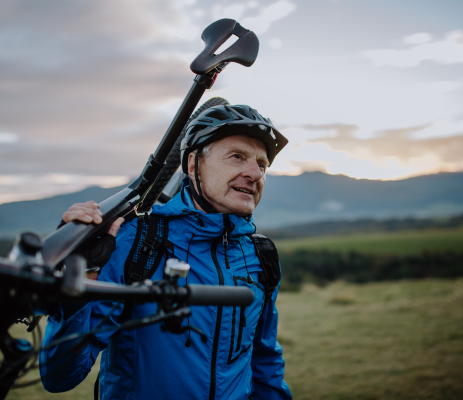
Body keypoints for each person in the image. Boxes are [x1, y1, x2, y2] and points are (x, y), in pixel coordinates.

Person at [40, 104, 292, 400]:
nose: (254, 173)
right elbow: (60, 376)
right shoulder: (135, 241)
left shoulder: (260, 254)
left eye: (262, 164)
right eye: (237, 156)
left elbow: (264, 361)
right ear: (193, 164)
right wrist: (78, 282)